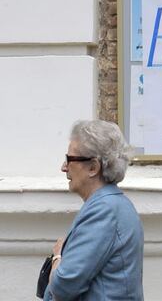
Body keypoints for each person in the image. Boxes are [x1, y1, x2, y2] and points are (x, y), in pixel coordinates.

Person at [43, 120, 144, 301]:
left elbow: (62, 286)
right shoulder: (111, 205)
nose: (64, 167)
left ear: (93, 167)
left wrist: (58, 256)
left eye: (70, 159)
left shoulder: (104, 211)